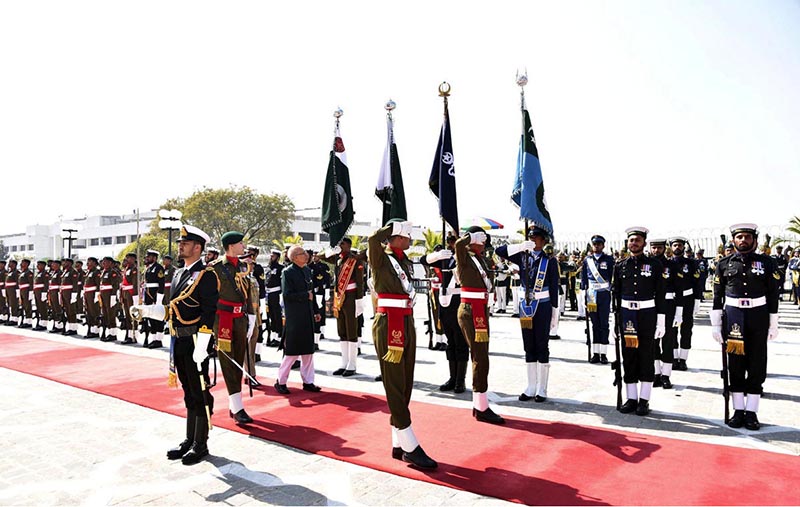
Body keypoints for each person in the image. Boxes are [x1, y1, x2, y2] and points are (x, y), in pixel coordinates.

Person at [133, 225, 217, 464]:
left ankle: (201, 443)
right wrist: (147, 311)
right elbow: (172, 310)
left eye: (186, 243)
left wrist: (203, 345)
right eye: (180, 242)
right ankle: (190, 439)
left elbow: (209, 313)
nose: (180, 245)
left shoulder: (207, 274)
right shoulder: (179, 273)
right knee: (188, 390)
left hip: (195, 340)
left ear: (198, 247)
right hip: (178, 338)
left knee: (200, 392)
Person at [369, 219, 437, 469]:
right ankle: (410, 446)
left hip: (406, 320)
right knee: (395, 383)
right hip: (389, 324)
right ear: (397, 236)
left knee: (406, 382)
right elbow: (372, 240)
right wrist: (393, 225)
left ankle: (398, 443)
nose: (410, 240)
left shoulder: (402, 260)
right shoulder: (381, 256)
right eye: (406, 235)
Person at [711, 223, 780, 430]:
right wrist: (716, 324)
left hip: (758, 316)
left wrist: (773, 323)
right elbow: (717, 295)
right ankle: (738, 410)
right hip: (733, 317)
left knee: (757, 364)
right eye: (739, 237)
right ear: (733, 240)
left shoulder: (767, 263)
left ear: (754, 240)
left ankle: (751, 412)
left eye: (747, 237)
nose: (743, 240)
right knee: (736, 364)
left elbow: (774, 294)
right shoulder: (723, 263)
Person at [496, 226, 559, 403]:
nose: (532, 239)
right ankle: (531, 386)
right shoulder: (522, 256)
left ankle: (542, 388)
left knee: (542, 345)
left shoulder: (550, 261)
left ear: (543, 240)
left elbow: (554, 287)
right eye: (530, 237)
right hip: (526, 305)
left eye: (536, 237)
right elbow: (499, 250)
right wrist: (520, 246)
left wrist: (555, 311)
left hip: (544, 305)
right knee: (528, 345)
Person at [612, 227, 666, 416]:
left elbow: (660, 293)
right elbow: (616, 295)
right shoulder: (620, 265)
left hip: (647, 314)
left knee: (646, 356)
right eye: (631, 240)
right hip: (627, 315)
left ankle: (644, 400)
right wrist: (615, 320)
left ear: (644, 243)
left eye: (637, 240)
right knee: (629, 356)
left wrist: (661, 320)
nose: (633, 243)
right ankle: (631, 398)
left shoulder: (654, 265)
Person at [207, 231, 258, 425]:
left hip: (241, 318)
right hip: (223, 320)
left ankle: (234, 404)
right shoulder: (216, 268)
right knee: (229, 363)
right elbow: (210, 298)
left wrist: (251, 316)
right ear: (230, 245)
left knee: (239, 358)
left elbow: (249, 292)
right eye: (240, 244)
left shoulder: (243, 266)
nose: (243, 247)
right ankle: (237, 408)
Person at [455, 226, 504, 424]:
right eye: (480, 239)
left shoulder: (480, 258)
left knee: (481, 356)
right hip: (470, 310)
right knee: (480, 357)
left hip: (480, 310)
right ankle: (481, 406)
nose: (483, 243)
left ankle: (480, 404)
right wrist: (469, 236)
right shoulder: (465, 256)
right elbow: (459, 245)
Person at [422, 232, 469, 394]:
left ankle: (460, 381)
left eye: (454, 241)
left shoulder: (465, 258)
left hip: (459, 301)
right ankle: (452, 377)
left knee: (461, 342)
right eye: (449, 241)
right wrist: (436, 255)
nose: (451, 244)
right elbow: (423, 260)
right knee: (451, 343)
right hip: (445, 304)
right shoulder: (445, 258)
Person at [274, 245, 322, 394]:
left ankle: (308, 381)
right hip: (295, 316)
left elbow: (311, 292)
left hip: (307, 314)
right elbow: (287, 295)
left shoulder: (307, 271)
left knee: (308, 351)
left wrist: (316, 310)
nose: (306, 256)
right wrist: (304, 296)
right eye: (302, 254)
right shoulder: (287, 273)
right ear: (294, 257)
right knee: (292, 352)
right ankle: (280, 381)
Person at [324, 237, 365, 376]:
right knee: (341, 330)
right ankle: (344, 362)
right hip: (339, 298)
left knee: (351, 329)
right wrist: (332, 250)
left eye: (342, 244)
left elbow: (360, 281)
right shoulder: (338, 259)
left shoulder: (355, 260)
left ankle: (352, 364)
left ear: (349, 245)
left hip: (351, 297)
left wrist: (359, 299)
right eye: (339, 244)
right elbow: (320, 256)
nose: (340, 246)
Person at [649, 239, 681, 389]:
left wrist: (679, 312)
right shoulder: (647, 265)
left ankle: (666, 375)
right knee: (653, 341)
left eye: (659, 248)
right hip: (651, 306)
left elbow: (679, 289)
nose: (656, 251)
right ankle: (656, 374)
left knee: (668, 340)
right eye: (654, 248)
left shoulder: (672, 265)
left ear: (664, 248)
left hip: (668, 305)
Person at [581, 235, 615, 365]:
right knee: (594, 323)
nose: (597, 246)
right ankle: (595, 353)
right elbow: (584, 278)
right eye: (595, 244)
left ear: (603, 245)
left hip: (604, 294)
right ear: (592, 245)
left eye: (599, 244)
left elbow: (613, 275)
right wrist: (584, 293)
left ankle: (604, 353)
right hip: (591, 295)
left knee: (604, 323)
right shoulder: (587, 260)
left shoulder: (609, 259)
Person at [670, 237, 701, 371]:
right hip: (673, 300)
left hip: (687, 299)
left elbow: (698, 282)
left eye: (680, 245)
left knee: (686, 329)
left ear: (683, 247)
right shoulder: (667, 264)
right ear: (670, 247)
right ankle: (674, 357)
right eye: (675, 245)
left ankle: (683, 359)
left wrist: (697, 300)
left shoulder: (691, 263)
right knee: (672, 330)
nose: (677, 247)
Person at [143, 249, 166, 348]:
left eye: (149, 256)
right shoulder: (148, 268)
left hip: (155, 294)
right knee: (151, 316)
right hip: (148, 294)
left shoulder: (159, 268)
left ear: (155, 258)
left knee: (158, 317)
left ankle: (159, 339)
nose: (147, 258)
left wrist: (159, 298)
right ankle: (153, 338)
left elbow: (161, 284)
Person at [309, 250, 331, 347]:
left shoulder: (324, 267)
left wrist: (327, 290)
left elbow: (327, 279)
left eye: (316, 256)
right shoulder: (309, 267)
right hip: (311, 292)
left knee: (320, 312)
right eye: (313, 256)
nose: (314, 257)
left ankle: (321, 331)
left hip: (320, 292)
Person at [264, 249, 284, 347]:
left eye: (273, 256)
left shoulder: (281, 268)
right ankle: (272, 337)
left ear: (278, 257)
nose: (271, 257)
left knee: (277, 316)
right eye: (271, 255)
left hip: (276, 294)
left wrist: (281, 295)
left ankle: (278, 337)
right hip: (268, 295)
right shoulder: (267, 267)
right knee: (270, 316)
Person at [98, 256, 120, 341]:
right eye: (103, 261)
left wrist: (113, 296)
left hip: (109, 295)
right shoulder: (103, 272)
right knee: (105, 314)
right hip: (103, 295)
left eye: (106, 261)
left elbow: (115, 286)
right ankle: (108, 332)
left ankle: (113, 334)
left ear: (110, 263)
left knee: (111, 314)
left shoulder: (113, 272)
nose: (103, 263)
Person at [59, 258, 79, 336]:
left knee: (71, 311)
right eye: (63, 262)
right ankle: (70, 327)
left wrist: (74, 294)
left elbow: (75, 284)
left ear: (70, 263)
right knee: (67, 311)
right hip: (64, 293)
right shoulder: (65, 271)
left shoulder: (73, 272)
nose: (63, 263)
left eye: (66, 262)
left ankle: (73, 328)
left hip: (70, 294)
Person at [82, 257, 101, 338]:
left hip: (93, 294)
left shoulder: (96, 272)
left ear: (94, 263)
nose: (87, 263)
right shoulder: (88, 272)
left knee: (94, 312)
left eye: (89, 261)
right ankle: (90, 329)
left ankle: (95, 331)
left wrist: (97, 295)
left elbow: (98, 284)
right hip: (87, 294)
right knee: (88, 312)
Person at [47, 259, 64, 333]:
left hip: (56, 292)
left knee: (57, 309)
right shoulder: (53, 273)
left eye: (54, 264)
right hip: (52, 292)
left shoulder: (60, 273)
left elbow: (60, 284)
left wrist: (59, 294)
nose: (52, 265)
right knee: (53, 309)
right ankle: (55, 324)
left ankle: (59, 325)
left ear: (58, 265)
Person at [32, 260, 49, 331]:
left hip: (41, 292)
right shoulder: (38, 273)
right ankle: (40, 322)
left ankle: (44, 323)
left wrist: (44, 293)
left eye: (39, 265)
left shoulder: (45, 273)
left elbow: (46, 284)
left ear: (43, 266)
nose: (37, 266)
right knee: (38, 308)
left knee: (43, 308)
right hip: (37, 292)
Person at [17, 259, 33, 328]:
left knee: (27, 306)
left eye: (23, 263)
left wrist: (30, 292)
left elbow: (31, 283)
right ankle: (25, 320)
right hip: (22, 291)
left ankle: (28, 321)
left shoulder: (29, 273)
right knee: (23, 306)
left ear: (27, 264)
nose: (21, 264)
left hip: (26, 291)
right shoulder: (22, 272)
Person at [5, 259, 20, 326]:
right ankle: (11, 318)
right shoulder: (10, 272)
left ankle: (14, 319)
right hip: (8, 290)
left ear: (14, 264)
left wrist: (17, 290)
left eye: (10, 263)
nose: (9, 264)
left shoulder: (16, 272)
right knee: (9, 304)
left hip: (13, 290)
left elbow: (17, 282)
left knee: (14, 304)